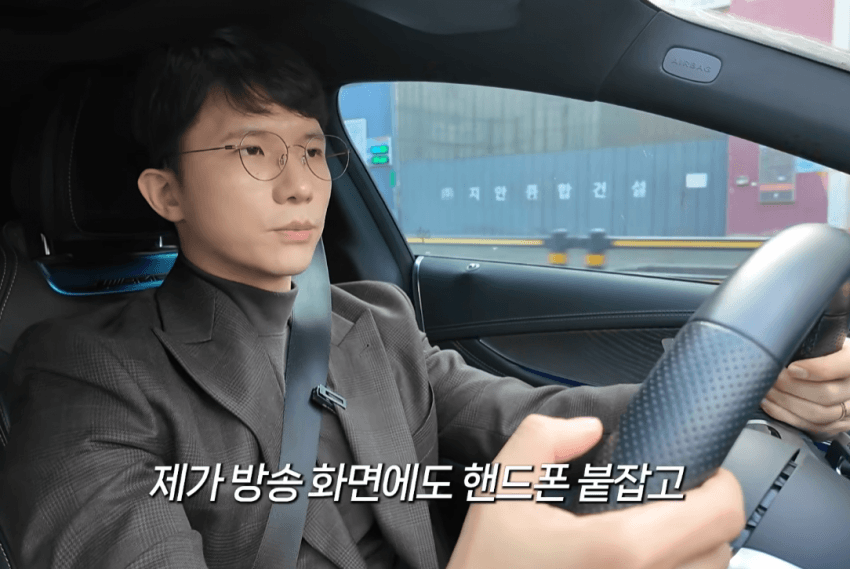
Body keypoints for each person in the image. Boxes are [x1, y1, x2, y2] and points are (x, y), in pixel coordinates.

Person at [1, 25, 849, 569]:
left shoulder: (370, 320)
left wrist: (740, 393)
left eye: (312, 151)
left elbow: (535, 419)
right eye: (253, 151)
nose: (300, 185)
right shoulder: (85, 371)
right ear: (165, 193)